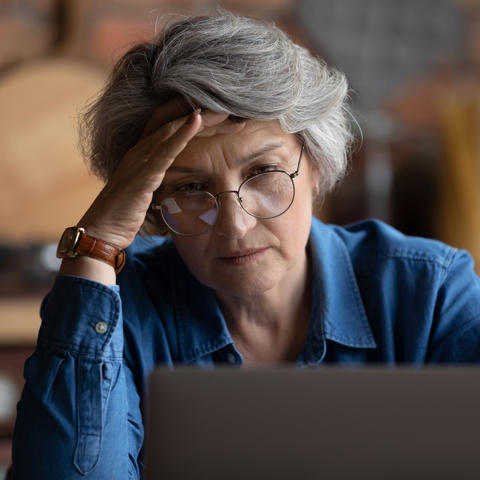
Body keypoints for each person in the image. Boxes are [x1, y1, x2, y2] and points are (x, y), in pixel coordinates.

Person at [11, 9, 480, 480]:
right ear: (151, 202)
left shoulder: (430, 293)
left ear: (315, 166)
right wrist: (97, 243)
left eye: (263, 173)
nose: (234, 226)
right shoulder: (115, 310)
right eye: (191, 188)